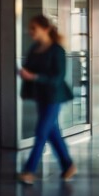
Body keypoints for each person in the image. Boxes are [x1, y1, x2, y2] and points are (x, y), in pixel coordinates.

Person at [19, 15, 76, 185]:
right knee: (52, 132)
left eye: (33, 28)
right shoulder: (35, 48)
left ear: (45, 29)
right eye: (30, 29)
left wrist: (34, 77)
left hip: (53, 96)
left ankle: (29, 170)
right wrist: (27, 75)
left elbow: (58, 77)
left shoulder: (57, 50)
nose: (31, 32)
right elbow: (29, 68)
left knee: (41, 132)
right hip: (41, 95)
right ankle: (68, 165)